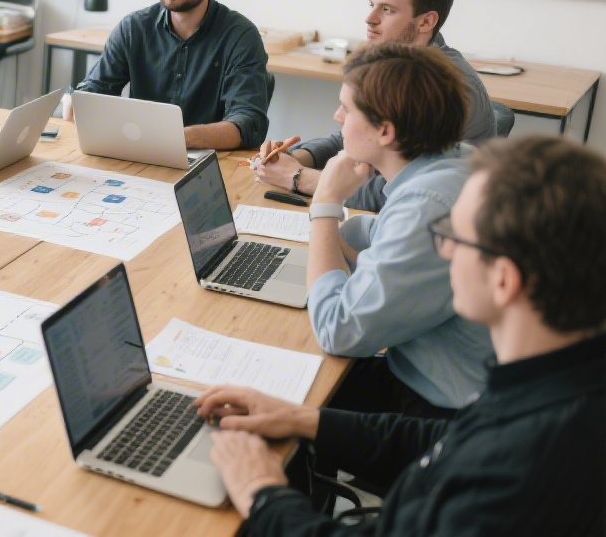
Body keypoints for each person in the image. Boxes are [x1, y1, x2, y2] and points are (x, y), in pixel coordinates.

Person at [196, 135, 606, 536]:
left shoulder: (524, 463)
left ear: (503, 280)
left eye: (454, 238)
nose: (442, 253)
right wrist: (302, 418)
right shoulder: (549, 376)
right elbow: (446, 441)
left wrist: (262, 493)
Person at [301, 42, 492, 419]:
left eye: (347, 108)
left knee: (289, 382)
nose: (337, 117)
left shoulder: (427, 203)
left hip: (441, 410)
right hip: (462, 383)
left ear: (385, 131)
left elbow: (337, 331)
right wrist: (338, 240)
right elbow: (376, 237)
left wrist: (324, 206)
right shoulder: (458, 162)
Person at [254, 0, 495, 211]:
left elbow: (398, 192)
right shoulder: (396, 64)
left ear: (426, 21)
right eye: (372, 5)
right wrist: (299, 157)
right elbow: (357, 137)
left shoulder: (444, 88)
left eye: (387, 9)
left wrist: (298, 177)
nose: (369, 18)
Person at [62, 0, 271, 150]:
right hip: (139, 151)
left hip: (209, 163)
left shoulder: (240, 36)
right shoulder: (134, 27)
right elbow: (96, 90)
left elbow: (248, 123)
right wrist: (78, 99)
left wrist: (174, 137)